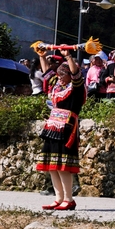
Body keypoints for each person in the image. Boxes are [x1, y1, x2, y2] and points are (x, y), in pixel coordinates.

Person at [37, 48, 85, 211]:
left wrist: (68, 56)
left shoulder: (76, 86)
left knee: (63, 164)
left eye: (62, 75)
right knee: (52, 164)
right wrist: (41, 56)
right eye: (58, 75)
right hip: (52, 126)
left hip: (67, 127)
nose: (59, 77)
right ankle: (58, 197)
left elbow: (76, 73)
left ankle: (68, 198)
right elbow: (46, 73)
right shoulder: (57, 85)